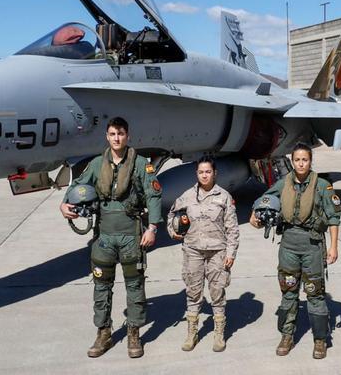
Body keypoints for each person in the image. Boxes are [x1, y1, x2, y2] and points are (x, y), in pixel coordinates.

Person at [59, 117, 162, 359]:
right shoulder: (97, 164)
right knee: (101, 287)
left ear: (128, 136)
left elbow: (154, 195)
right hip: (103, 237)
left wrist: (153, 228)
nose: (117, 138)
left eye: (121, 134)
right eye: (113, 134)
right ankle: (103, 333)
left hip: (131, 236)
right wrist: (64, 203)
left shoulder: (141, 164)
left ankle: (134, 332)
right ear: (107, 136)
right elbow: (79, 185)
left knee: (135, 287)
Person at [249, 143, 341, 359]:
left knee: (315, 293)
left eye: (305, 160)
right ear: (293, 161)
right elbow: (263, 200)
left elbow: (334, 218)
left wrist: (334, 246)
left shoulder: (323, 186)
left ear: (310, 161)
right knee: (288, 291)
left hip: (312, 245)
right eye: (297, 159)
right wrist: (255, 214)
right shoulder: (284, 183)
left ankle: (320, 340)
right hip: (289, 244)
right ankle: (287, 335)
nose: (301, 163)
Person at [167, 156, 240, 352]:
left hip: (217, 252)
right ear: (196, 174)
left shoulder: (224, 197)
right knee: (193, 292)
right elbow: (172, 214)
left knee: (217, 292)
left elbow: (232, 229)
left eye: (208, 171)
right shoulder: (188, 196)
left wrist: (231, 253)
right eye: (201, 172)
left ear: (214, 173)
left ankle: (219, 333)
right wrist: (172, 230)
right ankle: (192, 332)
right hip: (193, 251)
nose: (204, 175)